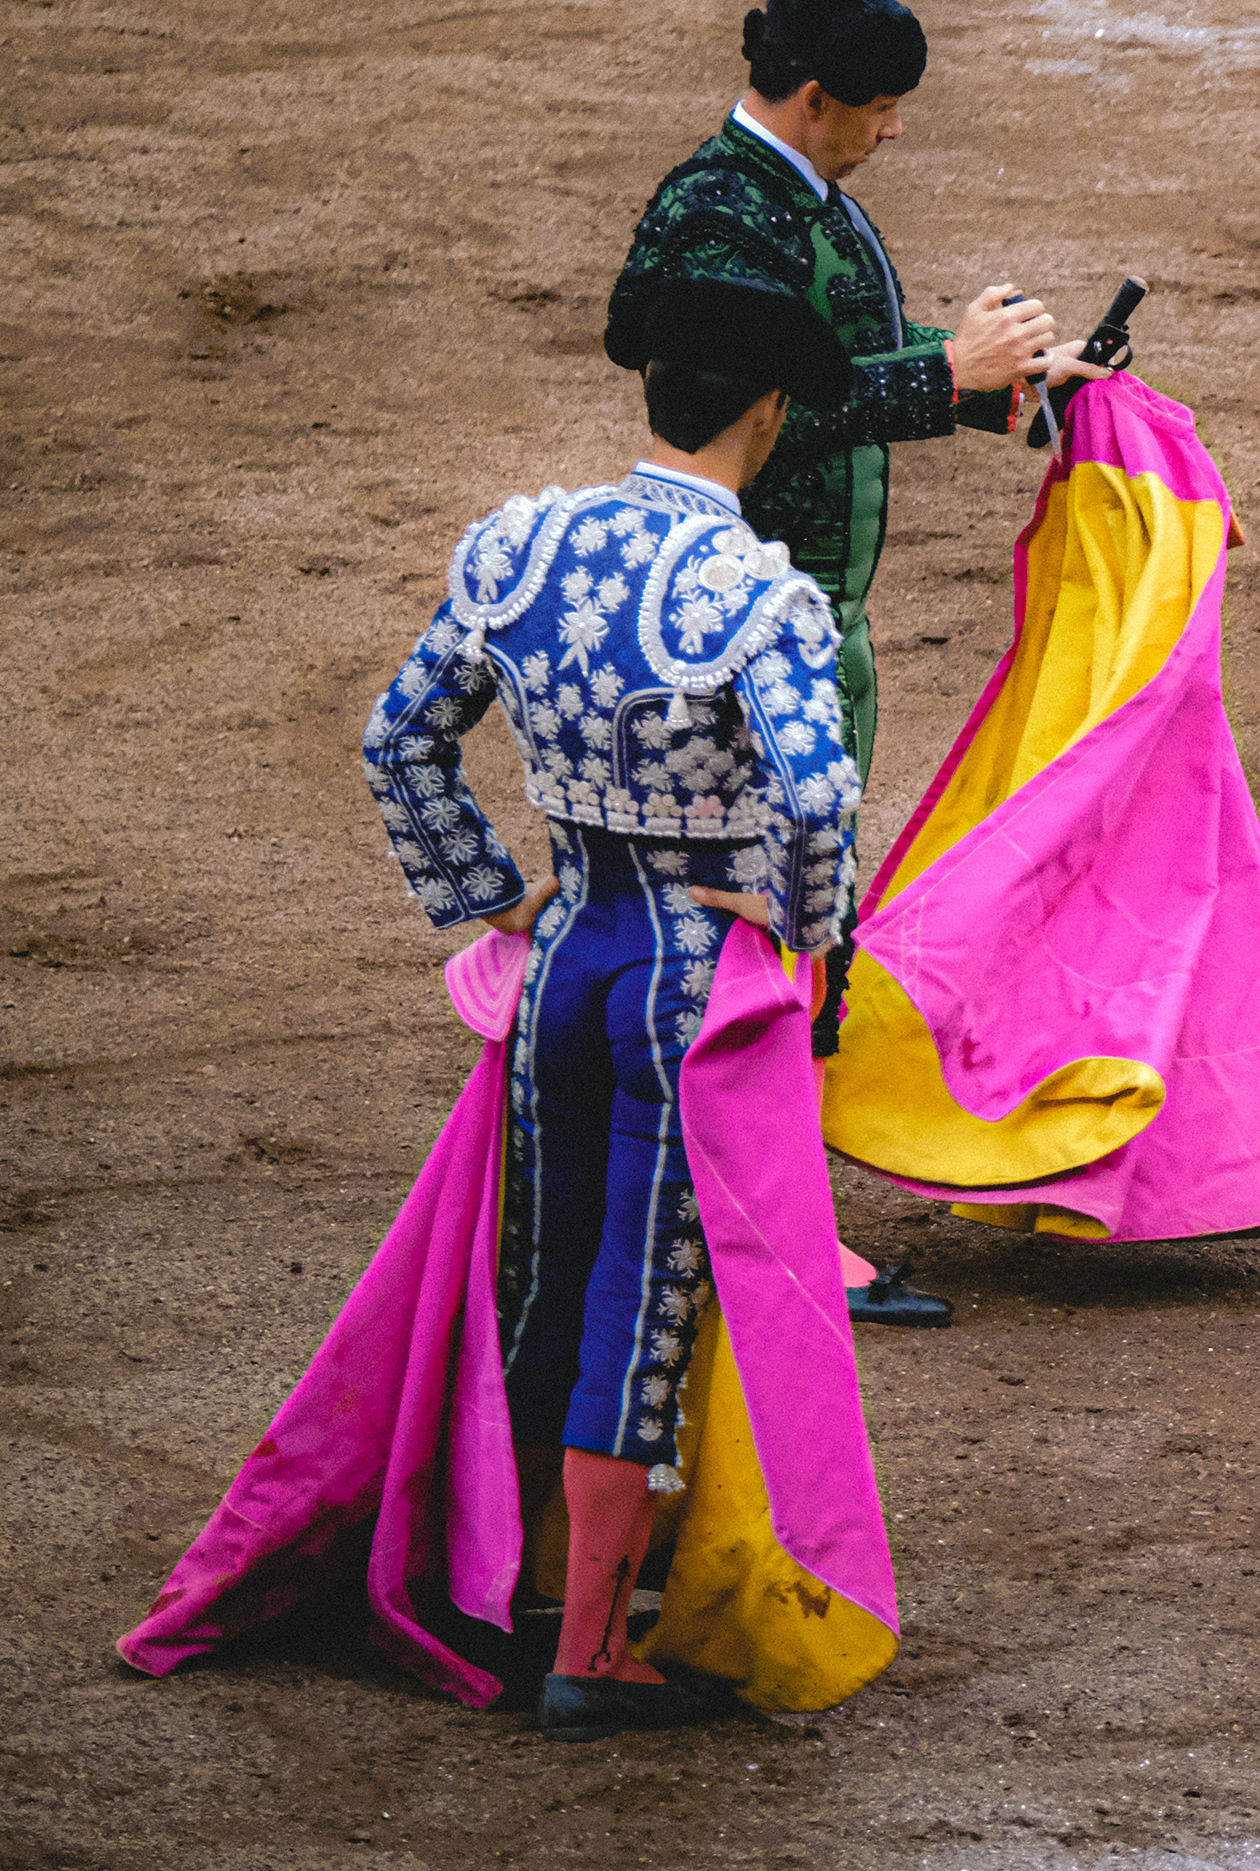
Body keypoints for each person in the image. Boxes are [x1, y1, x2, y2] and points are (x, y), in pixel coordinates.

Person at [360, 281, 868, 1735]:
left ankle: (505, 1577)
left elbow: (401, 738)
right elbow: (820, 791)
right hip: (683, 983)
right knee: (639, 1305)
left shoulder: (521, 544)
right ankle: (593, 1647)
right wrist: (801, 919)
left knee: (543, 1266)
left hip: (567, 956)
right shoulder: (756, 593)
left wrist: (492, 890)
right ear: (766, 413)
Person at [605, 0, 1082, 1328]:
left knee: (794, 902)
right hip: (738, 622)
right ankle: (756, 1209)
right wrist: (945, 378)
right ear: (815, 98)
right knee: (773, 908)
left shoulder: (806, 201)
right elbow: (731, 410)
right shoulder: (718, 212)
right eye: (876, 107)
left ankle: (746, 1186)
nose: (892, 128)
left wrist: (1000, 394)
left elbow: (843, 372)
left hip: (812, 616)